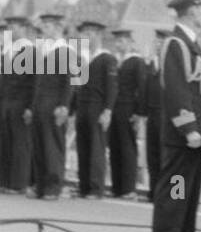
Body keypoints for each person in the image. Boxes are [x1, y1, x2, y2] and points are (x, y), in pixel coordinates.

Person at [152, 0, 201, 232]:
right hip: (182, 133)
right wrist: (189, 129)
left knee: (190, 188)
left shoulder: (191, 42)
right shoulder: (175, 44)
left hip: (196, 130)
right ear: (191, 10)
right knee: (176, 186)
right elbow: (176, 90)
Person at [71, 18, 117, 199]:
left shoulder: (107, 58)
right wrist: (72, 109)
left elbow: (112, 87)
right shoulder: (82, 59)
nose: (86, 37)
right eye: (84, 33)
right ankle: (84, 186)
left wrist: (108, 110)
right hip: (82, 107)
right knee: (82, 147)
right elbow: (76, 85)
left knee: (96, 148)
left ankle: (96, 188)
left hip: (97, 108)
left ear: (98, 35)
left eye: (90, 33)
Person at [30, 11, 71, 200]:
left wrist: (63, 105)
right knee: (39, 145)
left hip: (54, 103)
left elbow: (69, 81)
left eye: (47, 26)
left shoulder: (65, 50)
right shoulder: (45, 50)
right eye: (43, 26)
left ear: (57, 28)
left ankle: (54, 187)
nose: (44, 30)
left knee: (52, 146)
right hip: (40, 103)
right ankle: (40, 185)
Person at [108, 27, 144, 198]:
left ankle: (129, 188)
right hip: (114, 107)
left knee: (128, 147)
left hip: (128, 107)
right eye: (117, 41)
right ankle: (117, 186)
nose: (119, 44)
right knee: (114, 146)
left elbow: (141, 89)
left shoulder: (136, 62)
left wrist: (139, 113)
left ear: (130, 43)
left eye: (122, 41)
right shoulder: (115, 61)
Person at [141, 27, 169, 200]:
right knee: (153, 156)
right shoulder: (151, 65)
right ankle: (154, 192)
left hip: (168, 115)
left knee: (170, 159)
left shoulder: (173, 65)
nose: (158, 45)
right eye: (156, 42)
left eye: (162, 42)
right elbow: (145, 90)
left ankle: (175, 195)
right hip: (152, 114)